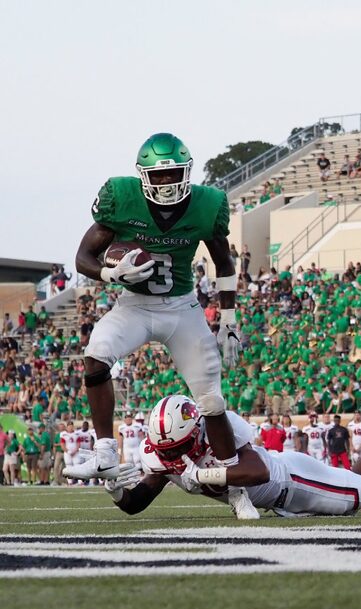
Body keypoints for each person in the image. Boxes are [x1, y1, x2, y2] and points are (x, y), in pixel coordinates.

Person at [66, 133, 245, 501]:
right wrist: (108, 274)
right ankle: (104, 453)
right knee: (96, 354)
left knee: (211, 399)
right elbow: (83, 256)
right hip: (135, 304)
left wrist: (228, 321)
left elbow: (224, 263)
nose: (166, 182)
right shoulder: (122, 197)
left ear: (187, 172)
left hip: (181, 308)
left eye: (174, 173)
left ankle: (235, 483)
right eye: (158, 175)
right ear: (143, 175)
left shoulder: (207, 204)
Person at [101, 396, 361, 519]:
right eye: (166, 449)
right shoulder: (165, 448)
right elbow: (139, 500)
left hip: (290, 482)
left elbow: (255, 472)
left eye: (177, 447)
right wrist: (118, 492)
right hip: (286, 490)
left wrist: (202, 477)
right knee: (358, 481)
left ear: (196, 430)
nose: (171, 455)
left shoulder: (220, 429)